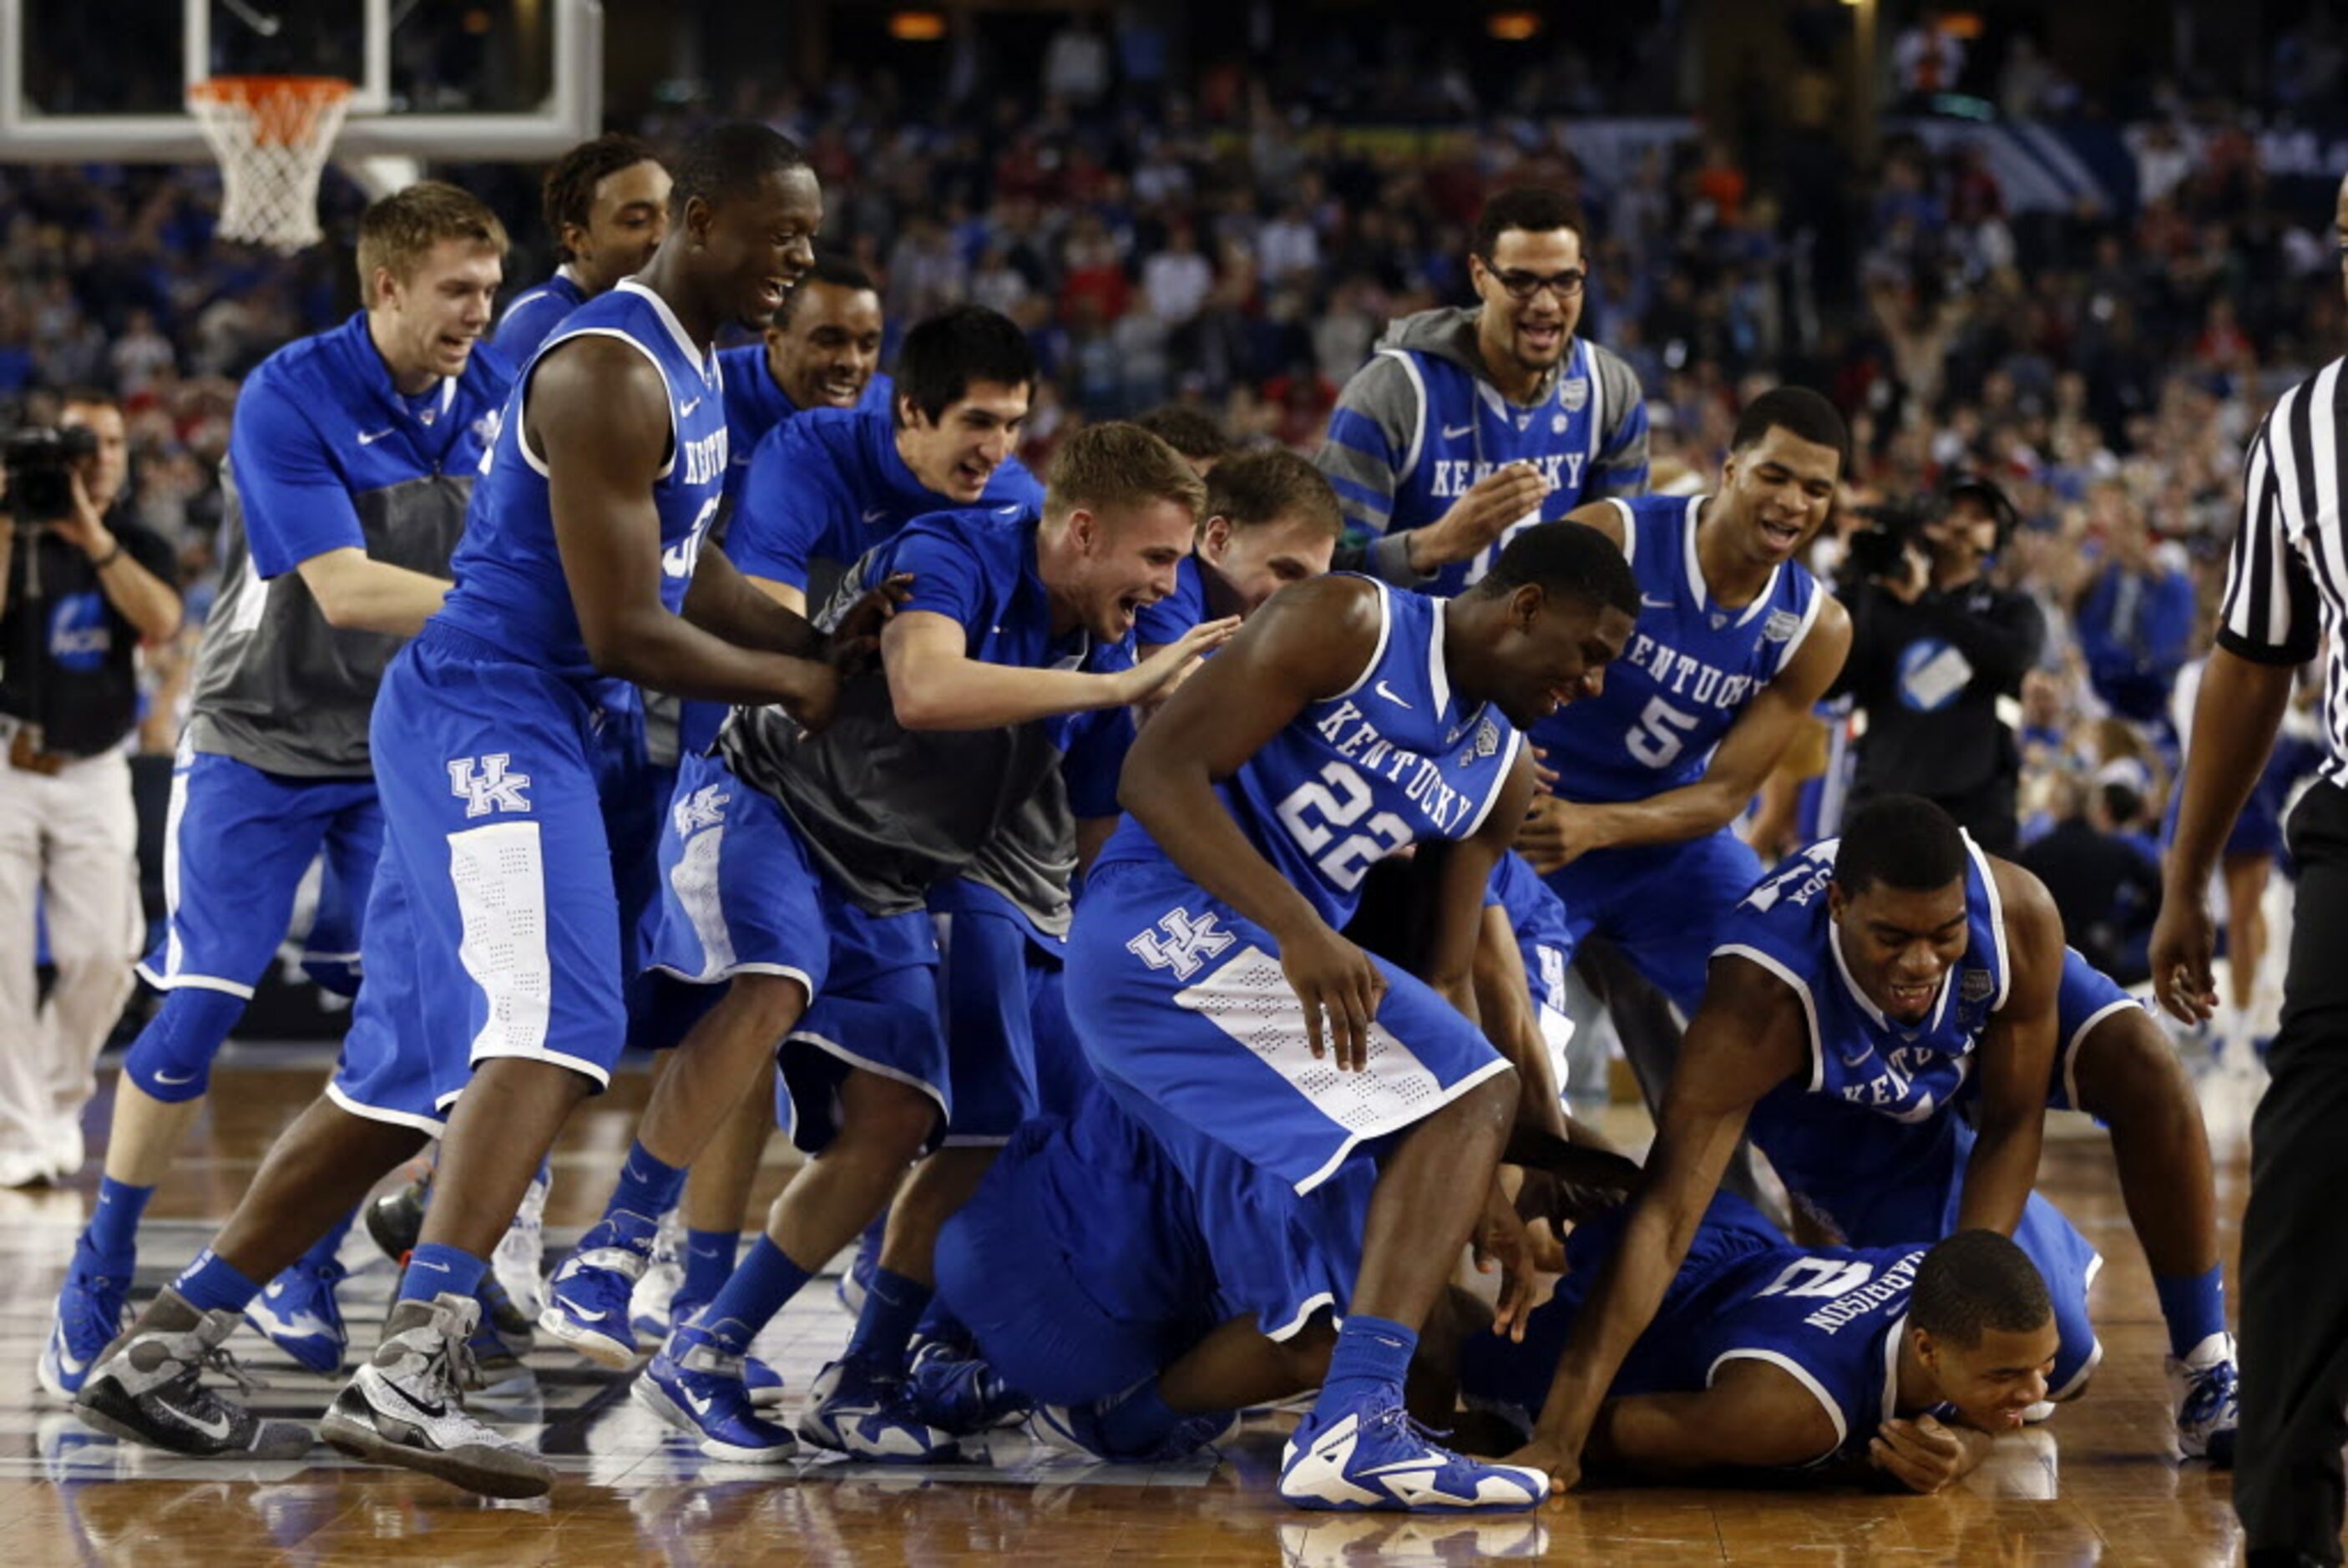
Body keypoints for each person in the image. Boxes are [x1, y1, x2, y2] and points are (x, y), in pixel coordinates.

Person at [72, 124, 856, 1498]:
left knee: (393, 1085)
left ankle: (168, 1341)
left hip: (549, 722)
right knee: (558, 1022)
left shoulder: (702, 369)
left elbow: (689, 567)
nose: (801, 259)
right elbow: (623, 626)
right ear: (709, 221)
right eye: (782, 234)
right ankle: (425, 1349)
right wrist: (796, 680)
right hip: (492, 711)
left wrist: (825, 636)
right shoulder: (609, 368)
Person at [565, 424, 1227, 1466]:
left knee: (915, 1115)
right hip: (772, 805)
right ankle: (613, 1247)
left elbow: (1102, 841)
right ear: (1084, 531)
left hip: (886, 877)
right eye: (1157, 557)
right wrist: (1116, 691)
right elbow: (923, 687)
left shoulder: (1104, 657)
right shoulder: (956, 551)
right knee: (776, 981)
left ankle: (726, 1354)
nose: (1169, 583)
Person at [41, 184, 511, 1399]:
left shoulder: (506, 397)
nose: (480, 311)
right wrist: (544, 614)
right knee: (194, 1010)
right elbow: (349, 593)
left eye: (491, 289)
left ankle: (302, 1252)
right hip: (257, 732)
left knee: (398, 1035)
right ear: (386, 286)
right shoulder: (290, 389)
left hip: (397, 746)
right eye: (457, 289)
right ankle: (99, 1266)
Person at [1070, 521, 1641, 1511]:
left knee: (1400, 1331)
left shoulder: (1499, 771)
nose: (1590, 685)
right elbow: (1153, 775)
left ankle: (1131, 1423)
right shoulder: (1350, 620)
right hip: (1157, 928)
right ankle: (1353, 1431)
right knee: (1464, 1114)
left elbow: (1444, 981)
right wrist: (1297, 927)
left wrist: (1484, 1186)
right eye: (1588, 655)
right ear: (1527, 606)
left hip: (1277, 982)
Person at [1511, 795, 2238, 1498]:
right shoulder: (1757, 998)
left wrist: (1968, 1306)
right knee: (2063, 1357)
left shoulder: (2015, 915)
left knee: (2144, 1062)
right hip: (1841, 1113)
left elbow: (2012, 1122)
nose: (1922, 962)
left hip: (1968, 1052)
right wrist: (1563, 1434)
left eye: (1943, 935)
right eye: (1893, 937)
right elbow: (1665, 1218)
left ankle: (2206, 1367)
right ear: (1837, 907)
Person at [2151, 169, 2348, 1568]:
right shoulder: (2305, 423)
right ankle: (2282, 1530)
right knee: (2301, 1181)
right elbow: (2252, 659)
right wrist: (2181, 873)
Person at [1460, 1193, 2093, 1491]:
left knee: (1578, 1224)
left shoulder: (1959, 1297)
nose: (2038, 1392)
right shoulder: (1794, 1413)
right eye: (2010, 1376)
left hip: (1740, 1239)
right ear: (1927, 1352)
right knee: (1459, 1352)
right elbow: (1606, 1433)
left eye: (2042, 1367)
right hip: (1670, 1316)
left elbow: (1994, 1409)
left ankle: (1549, 1236)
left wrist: (1970, 1445)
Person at [0, 390, 180, 1188]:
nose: (98, 456)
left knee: (104, 955)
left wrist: (88, 533)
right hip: (11, 757)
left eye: (110, 442)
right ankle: (18, 1130)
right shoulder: (18, 534)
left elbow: (162, 621)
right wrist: (11, 518)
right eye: (82, 443)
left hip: (96, 763)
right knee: (2, 958)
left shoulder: (134, 538)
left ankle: (55, 1101)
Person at [1314, 187, 1650, 596]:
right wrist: (1431, 545)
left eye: (1564, 281)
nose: (1545, 303)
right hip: (1409, 650)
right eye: (1521, 282)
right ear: (1480, 276)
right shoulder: (1394, 391)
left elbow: (1617, 567)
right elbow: (1327, 568)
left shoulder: (1610, 390)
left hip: (1541, 654)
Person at [725, 303, 1044, 617]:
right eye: (978, 422)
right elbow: (761, 623)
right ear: (913, 411)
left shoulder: (1020, 505)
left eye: (1013, 425)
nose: (998, 452)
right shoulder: (806, 455)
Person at [1837, 475, 2045, 854]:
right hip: (1882, 788)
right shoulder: (1883, 598)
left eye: (1979, 516)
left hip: (1976, 798)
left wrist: (1927, 602)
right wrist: (1855, 582)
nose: (1962, 523)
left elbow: (2012, 657)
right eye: (1953, 511)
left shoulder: (2010, 608)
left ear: (1997, 537)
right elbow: (1836, 681)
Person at [1134, 448, 1346, 661]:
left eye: (1315, 586)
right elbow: (1171, 686)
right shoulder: (1170, 580)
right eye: (1288, 572)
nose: (1304, 602)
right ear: (1219, 540)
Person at [490, 133, 671, 362]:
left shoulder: (655, 316)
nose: (664, 236)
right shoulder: (542, 323)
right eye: (637, 221)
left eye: (673, 214)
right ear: (577, 239)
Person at [718, 252, 891, 481]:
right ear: (774, 339)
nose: (852, 362)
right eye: (829, 341)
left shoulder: (897, 417)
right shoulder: (705, 394)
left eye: (868, 345)